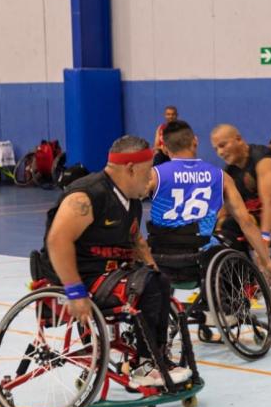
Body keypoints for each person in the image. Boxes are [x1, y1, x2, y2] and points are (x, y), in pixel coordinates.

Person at [40, 135, 189, 388]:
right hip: (79, 276)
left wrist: (154, 270)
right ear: (131, 168)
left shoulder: (129, 200)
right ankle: (145, 365)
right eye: (148, 171)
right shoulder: (88, 195)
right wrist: (74, 292)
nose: (152, 178)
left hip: (107, 274)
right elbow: (57, 240)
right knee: (151, 286)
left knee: (158, 281)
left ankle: (156, 356)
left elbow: (136, 241)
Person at [146, 119, 271, 287]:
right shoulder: (220, 176)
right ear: (195, 141)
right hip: (200, 261)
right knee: (228, 241)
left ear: (165, 148)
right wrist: (266, 261)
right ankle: (236, 296)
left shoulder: (153, 175)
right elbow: (246, 222)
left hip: (159, 260)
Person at [211, 124, 271, 247]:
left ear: (238, 139)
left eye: (222, 145)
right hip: (255, 215)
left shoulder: (263, 159)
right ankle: (241, 265)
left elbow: (270, 202)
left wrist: (264, 239)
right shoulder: (230, 171)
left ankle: (244, 264)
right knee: (220, 229)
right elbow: (224, 207)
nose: (220, 152)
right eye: (216, 149)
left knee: (231, 225)